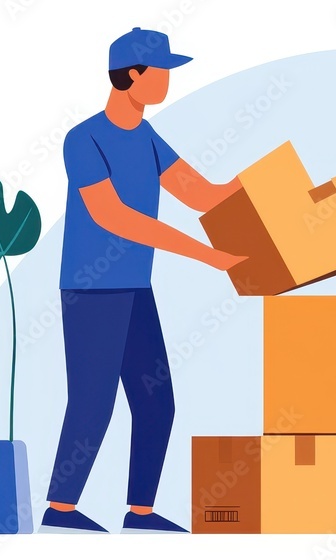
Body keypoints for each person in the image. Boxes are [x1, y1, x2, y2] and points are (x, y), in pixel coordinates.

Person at [39, 27, 246, 534]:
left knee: (157, 402)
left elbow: (202, 194)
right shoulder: (84, 138)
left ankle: (141, 513)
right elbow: (118, 218)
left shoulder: (148, 137)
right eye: (162, 72)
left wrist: (262, 180)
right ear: (133, 74)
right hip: (92, 291)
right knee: (93, 402)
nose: (168, 82)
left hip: (135, 289)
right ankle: (60, 511)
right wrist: (207, 255)